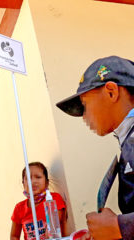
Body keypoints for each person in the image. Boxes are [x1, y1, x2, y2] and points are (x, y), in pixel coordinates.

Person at [56, 56, 134, 240]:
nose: (84, 117)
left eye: (85, 105)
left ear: (111, 92)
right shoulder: (127, 139)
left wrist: (120, 226)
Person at [10, 161, 66, 240]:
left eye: (38, 177)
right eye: (28, 178)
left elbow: (52, 229)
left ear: (47, 182)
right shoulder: (19, 208)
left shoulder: (53, 199)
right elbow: (14, 236)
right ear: (23, 184)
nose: (33, 182)